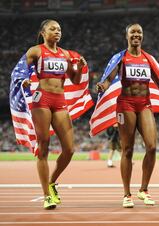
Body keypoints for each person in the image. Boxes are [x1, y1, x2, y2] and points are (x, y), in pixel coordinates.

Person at [96, 23, 159, 208]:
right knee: (127, 149)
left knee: (152, 147)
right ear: (126, 36)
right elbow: (109, 79)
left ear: (142, 36)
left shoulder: (148, 58)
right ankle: (126, 194)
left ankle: (144, 190)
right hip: (126, 104)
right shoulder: (121, 58)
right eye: (133, 32)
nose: (136, 35)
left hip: (144, 104)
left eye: (139, 32)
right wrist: (102, 86)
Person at [22, 19, 86, 209]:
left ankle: (51, 182)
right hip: (42, 99)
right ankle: (46, 196)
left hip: (60, 101)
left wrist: (80, 68)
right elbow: (21, 70)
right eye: (53, 29)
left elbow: (74, 80)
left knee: (69, 149)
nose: (57, 32)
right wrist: (25, 80)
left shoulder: (65, 54)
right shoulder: (35, 51)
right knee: (44, 147)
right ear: (43, 32)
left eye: (59, 29)